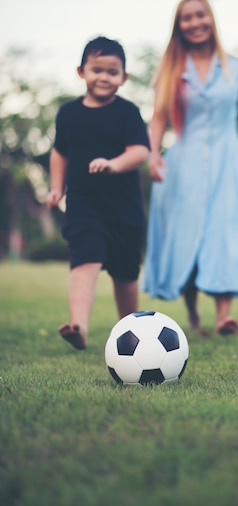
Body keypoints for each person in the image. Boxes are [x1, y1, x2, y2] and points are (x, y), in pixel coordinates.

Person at [142, 0, 238, 335]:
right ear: (179, 26)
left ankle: (223, 316)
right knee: (187, 237)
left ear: (211, 18)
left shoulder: (236, 67)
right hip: (183, 166)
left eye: (200, 15)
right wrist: (152, 153)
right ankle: (193, 311)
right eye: (187, 18)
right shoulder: (171, 69)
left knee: (223, 233)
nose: (195, 22)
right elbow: (158, 118)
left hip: (227, 163)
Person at [47, 36, 150, 350]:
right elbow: (59, 152)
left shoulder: (127, 112)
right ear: (81, 71)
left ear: (124, 78)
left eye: (112, 71)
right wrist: (55, 187)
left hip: (124, 209)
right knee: (84, 261)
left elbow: (140, 151)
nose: (104, 77)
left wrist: (113, 164)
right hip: (83, 205)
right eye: (97, 69)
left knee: (125, 273)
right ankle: (79, 326)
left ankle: (131, 331)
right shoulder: (68, 113)